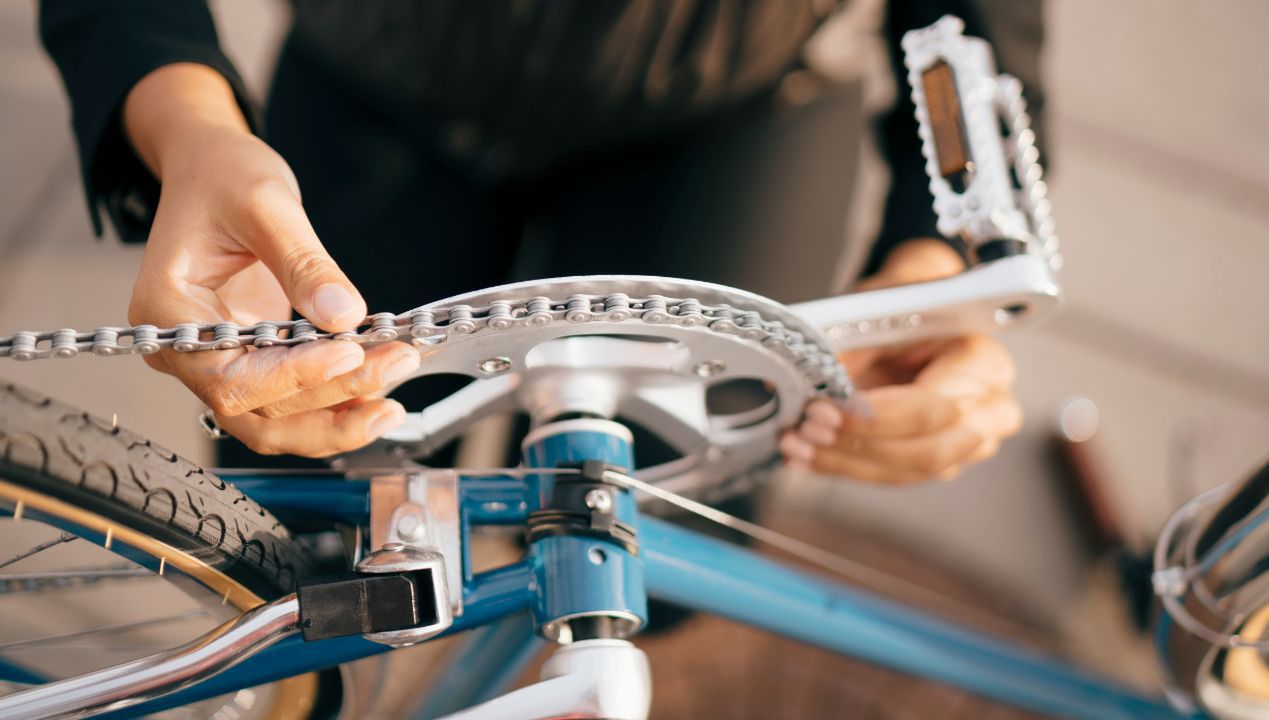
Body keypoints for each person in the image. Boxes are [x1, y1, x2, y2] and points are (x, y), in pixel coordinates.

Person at [39, 0, 1035, 484]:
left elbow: (985, 21)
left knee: (672, 507)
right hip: (382, 72)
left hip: (726, 102)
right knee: (302, 490)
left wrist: (934, 265)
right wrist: (185, 124)